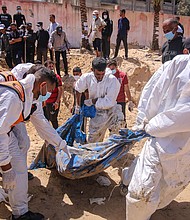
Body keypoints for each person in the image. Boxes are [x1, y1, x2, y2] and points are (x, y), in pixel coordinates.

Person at [121, 50, 190, 219]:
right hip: (160, 139)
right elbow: (155, 91)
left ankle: (152, 205)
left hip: (185, 149)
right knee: (141, 191)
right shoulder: (180, 64)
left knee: (172, 184)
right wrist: (144, 122)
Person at [0, 66, 70, 220]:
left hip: (5, 131)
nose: (49, 95)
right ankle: (20, 214)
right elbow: (0, 133)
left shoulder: (30, 97)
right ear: (43, 85)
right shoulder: (14, 97)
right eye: (49, 91)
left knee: (22, 146)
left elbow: (42, 125)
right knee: (16, 167)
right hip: (2, 133)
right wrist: (6, 168)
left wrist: (61, 144)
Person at [75, 57, 123, 143]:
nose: (100, 77)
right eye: (97, 74)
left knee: (117, 137)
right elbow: (78, 89)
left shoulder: (112, 80)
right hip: (97, 113)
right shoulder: (87, 77)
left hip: (112, 112)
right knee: (93, 141)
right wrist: (77, 106)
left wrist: (93, 101)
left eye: (102, 74)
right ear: (92, 70)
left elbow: (110, 101)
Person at [107, 59, 134, 126]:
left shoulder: (122, 75)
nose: (111, 70)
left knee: (122, 120)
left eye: (113, 68)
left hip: (120, 100)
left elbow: (127, 89)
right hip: (110, 101)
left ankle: (123, 134)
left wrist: (130, 101)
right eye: (110, 69)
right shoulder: (107, 76)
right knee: (111, 120)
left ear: (116, 67)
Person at [44, 60, 62, 129]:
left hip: (53, 102)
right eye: (49, 66)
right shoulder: (44, 78)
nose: (51, 68)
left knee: (53, 119)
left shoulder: (57, 77)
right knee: (46, 120)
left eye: (52, 66)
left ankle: (57, 134)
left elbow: (60, 89)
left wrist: (57, 101)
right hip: (46, 102)